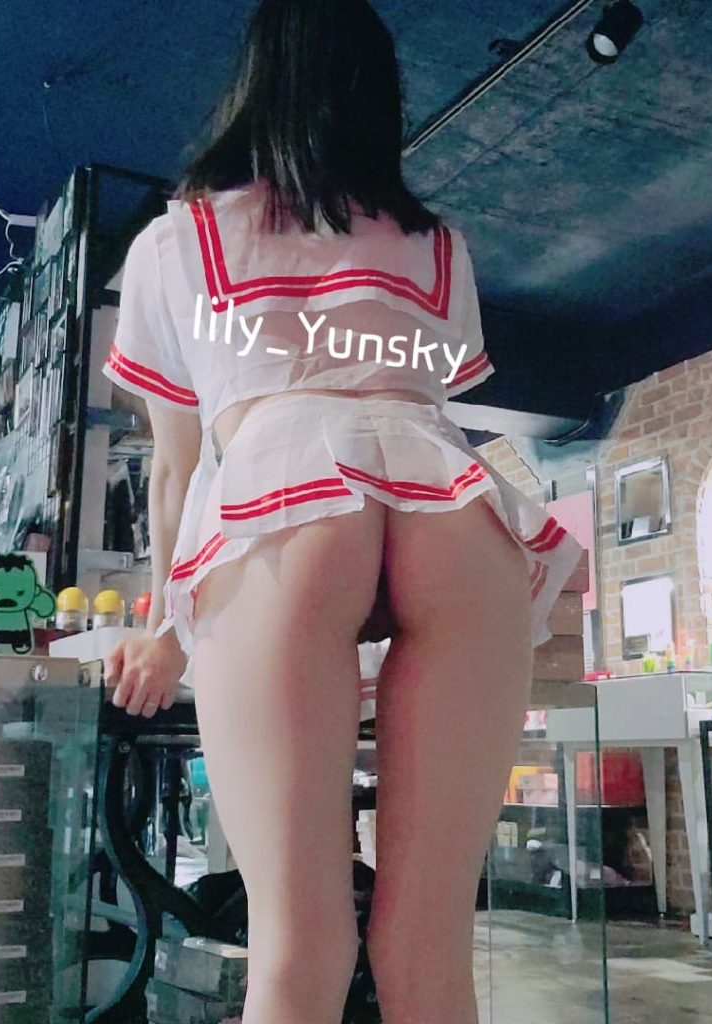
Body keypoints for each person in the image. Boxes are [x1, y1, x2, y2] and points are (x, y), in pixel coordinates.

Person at [103, 2, 582, 1021]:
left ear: (254, 82)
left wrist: (161, 632)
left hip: (285, 499)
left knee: (299, 943)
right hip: (452, 510)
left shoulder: (177, 241)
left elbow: (177, 468)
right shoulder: (438, 246)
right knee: (429, 944)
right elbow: (420, 406)